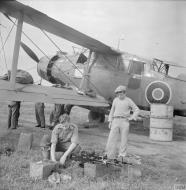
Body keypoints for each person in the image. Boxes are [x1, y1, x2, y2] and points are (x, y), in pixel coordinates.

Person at [105, 85, 140, 160]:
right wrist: (110, 121)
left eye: (121, 93)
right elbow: (112, 111)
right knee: (111, 138)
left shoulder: (128, 100)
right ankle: (109, 154)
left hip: (124, 121)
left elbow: (136, 109)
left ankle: (122, 155)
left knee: (124, 139)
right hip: (115, 120)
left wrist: (132, 117)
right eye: (118, 94)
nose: (119, 95)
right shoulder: (115, 100)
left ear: (124, 93)